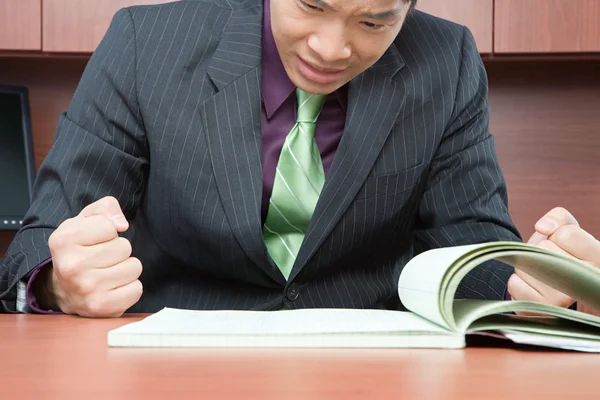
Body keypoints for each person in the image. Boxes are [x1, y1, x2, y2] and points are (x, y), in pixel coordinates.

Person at [0, 0, 596, 318]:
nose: (331, 48)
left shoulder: (447, 60)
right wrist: (57, 283)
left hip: (371, 378)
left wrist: (532, 284)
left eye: (373, 21)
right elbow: (37, 243)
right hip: (174, 370)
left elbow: (471, 244)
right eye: (312, 4)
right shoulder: (142, 45)